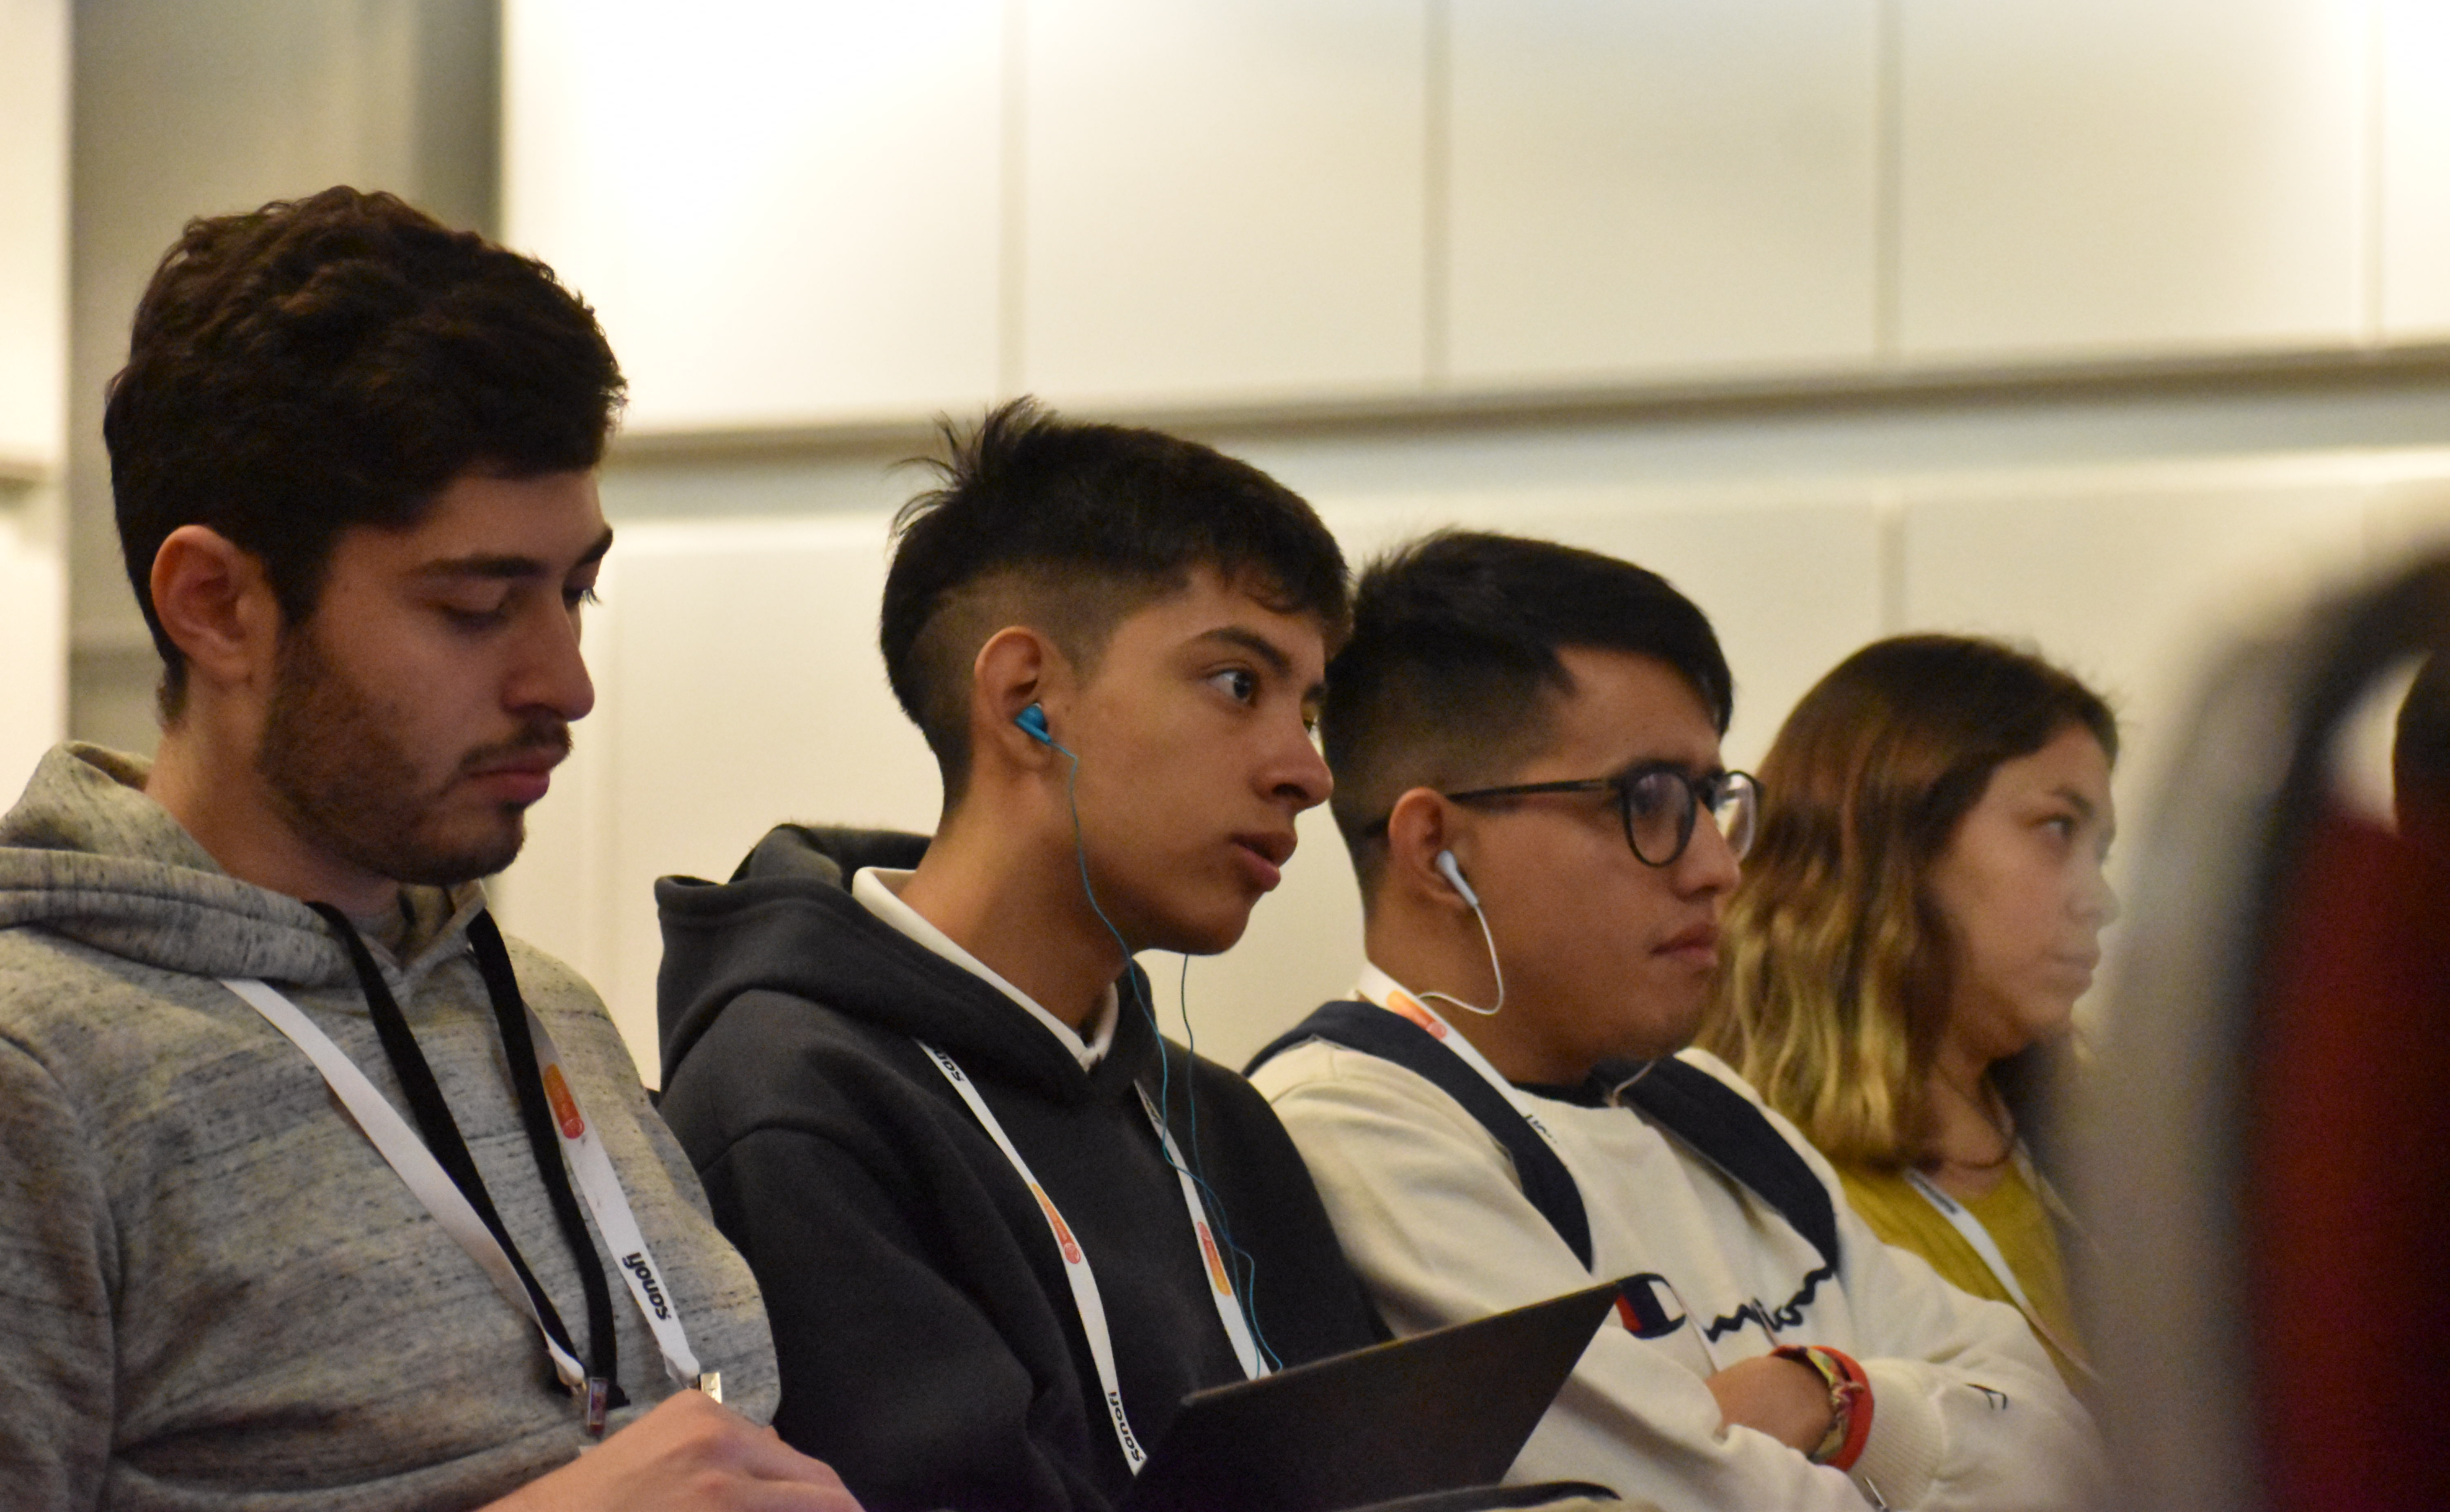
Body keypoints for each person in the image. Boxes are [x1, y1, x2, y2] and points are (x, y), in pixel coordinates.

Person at [0, 189, 856, 1510]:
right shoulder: (38, 1076)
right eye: (475, 608)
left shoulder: (543, 1008)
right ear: (216, 607)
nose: (567, 684)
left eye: (576, 591)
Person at [1248, 533, 2103, 1510]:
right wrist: (1932, 1439)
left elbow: (2072, 1455)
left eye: (1710, 798)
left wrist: (1840, 1403)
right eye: (1648, 801)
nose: (1717, 866)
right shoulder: (1357, 1128)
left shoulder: (1702, 1098)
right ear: (1438, 847)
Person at [653, 405, 1390, 1512]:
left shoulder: (1223, 1125)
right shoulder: (797, 1107)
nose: (1308, 772)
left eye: (1311, 709)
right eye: (1240, 684)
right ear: (1025, 700)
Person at [1702, 634, 2118, 1391]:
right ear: (1893, 836)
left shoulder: (2090, 1158)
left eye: (2102, 852)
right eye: (2058, 830)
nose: (2100, 900)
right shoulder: (1751, 1195)